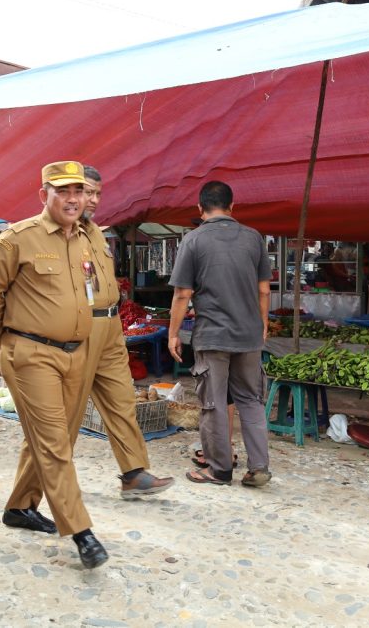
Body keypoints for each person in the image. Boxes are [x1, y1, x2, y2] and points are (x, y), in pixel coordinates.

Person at [0, 160, 108, 570]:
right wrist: (12, 342)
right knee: (55, 442)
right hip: (31, 353)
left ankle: (19, 506)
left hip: (76, 352)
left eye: (78, 191)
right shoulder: (18, 238)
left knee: (57, 438)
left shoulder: (85, 238)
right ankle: (82, 532)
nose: (73, 200)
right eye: (62, 191)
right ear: (44, 196)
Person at [77, 165, 174, 497]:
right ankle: (27, 494)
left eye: (96, 194)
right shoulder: (49, 234)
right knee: (60, 417)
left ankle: (133, 472)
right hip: (77, 332)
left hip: (110, 329)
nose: (92, 200)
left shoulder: (94, 233)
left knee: (121, 402)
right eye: (86, 191)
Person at [167, 181, 272, 488]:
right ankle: (259, 467)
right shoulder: (254, 239)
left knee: (213, 403)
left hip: (213, 335)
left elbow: (182, 294)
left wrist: (173, 333)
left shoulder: (194, 240)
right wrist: (262, 323)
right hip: (249, 335)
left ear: (200, 209)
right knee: (251, 400)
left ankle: (219, 470)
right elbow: (264, 289)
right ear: (232, 207)